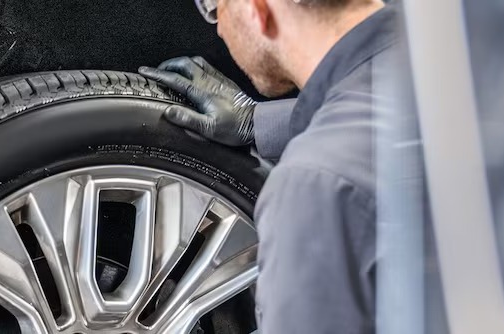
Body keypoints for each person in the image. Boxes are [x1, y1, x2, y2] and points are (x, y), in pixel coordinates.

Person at [137, 0, 412, 332]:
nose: (220, 28)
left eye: (215, 8)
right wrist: (258, 121)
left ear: (257, 8)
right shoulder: (470, 68)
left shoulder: (314, 189)